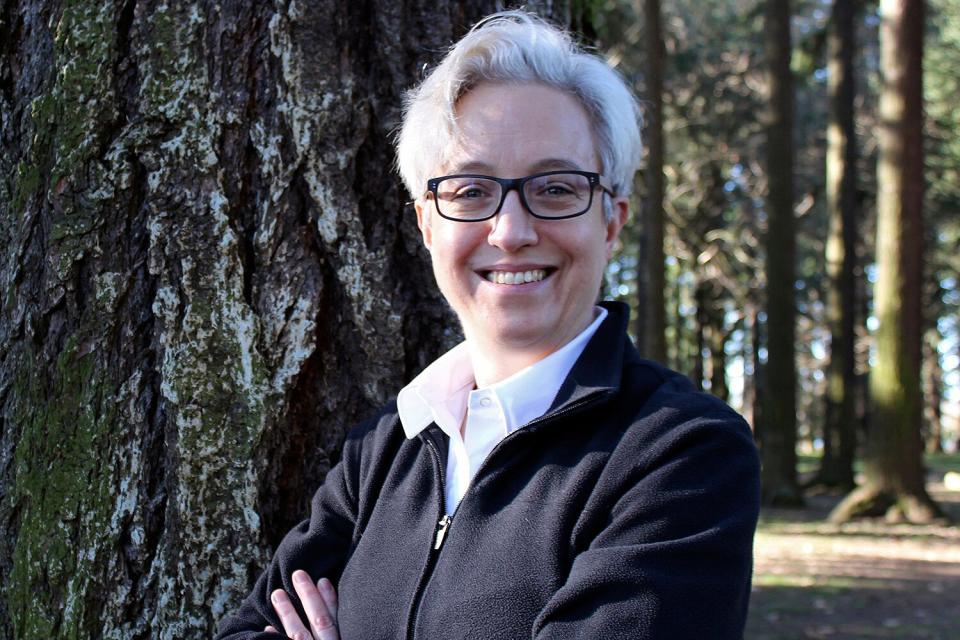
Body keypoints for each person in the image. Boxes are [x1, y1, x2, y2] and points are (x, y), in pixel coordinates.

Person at [216, 11, 759, 640]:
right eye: (471, 192)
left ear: (611, 220)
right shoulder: (387, 450)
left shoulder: (682, 454)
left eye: (556, 189)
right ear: (426, 224)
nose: (512, 231)